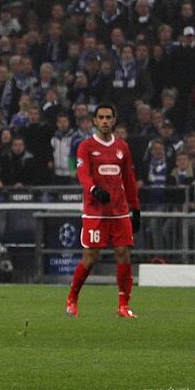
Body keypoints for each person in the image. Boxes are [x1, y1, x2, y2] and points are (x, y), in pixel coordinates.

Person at [66, 103, 141, 318]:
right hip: (95, 211)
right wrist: (94, 189)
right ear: (95, 121)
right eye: (101, 117)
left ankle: (123, 306)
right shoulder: (86, 146)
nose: (105, 121)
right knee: (90, 257)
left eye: (109, 117)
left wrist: (135, 208)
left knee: (123, 254)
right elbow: (83, 174)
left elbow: (129, 179)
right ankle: (72, 298)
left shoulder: (122, 147)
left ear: (114, 120)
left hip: (119, 211)